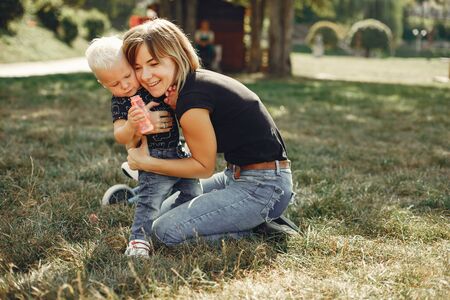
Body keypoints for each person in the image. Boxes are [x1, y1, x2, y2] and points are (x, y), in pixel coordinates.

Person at [122, 19, 296, 246]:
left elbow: (202, 168)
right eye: (137, 67)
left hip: (264, 187)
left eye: (154, 64)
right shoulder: (188, 86)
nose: (145, 75)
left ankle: (259, 229)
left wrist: (147, 163)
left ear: (178, 56)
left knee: (164, 232)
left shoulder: (192, 99)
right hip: (233, 176)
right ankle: (247, 218)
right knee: (158, 214)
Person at [85, 36, 202, 257]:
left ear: (133, 66)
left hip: (178, 151)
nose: (125, 85)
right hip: (153, 157)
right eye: (114, 84)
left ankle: (178, 223)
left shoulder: (150, 85)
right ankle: (138, 240)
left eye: (128, 76)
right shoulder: (121, 102)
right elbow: (120, 135)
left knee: (193, 192)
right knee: (149, 203)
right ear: (103, 84)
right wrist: (132, 124)